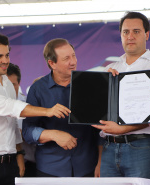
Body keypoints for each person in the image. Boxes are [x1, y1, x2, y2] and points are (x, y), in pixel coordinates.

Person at [92, 11, 150, 185]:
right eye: (125, 32)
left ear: (147, 34)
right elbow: (99, 109)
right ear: (120, 35)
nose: (130, 36)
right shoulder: (111, 68)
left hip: (142, 147)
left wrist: (122, 129)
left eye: (136, 31)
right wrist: (102, 86)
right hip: (108, 146)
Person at [0, 32, 76, 185]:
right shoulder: (38, 89)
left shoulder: (7, 83)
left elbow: (13, 123)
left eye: (7, 55)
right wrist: (48, 111)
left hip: (9, 163)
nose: (5, 61)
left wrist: (20, 155)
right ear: (51, 63)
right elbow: (10, 107)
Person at [22, 38, 100, 177]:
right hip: (49, 169)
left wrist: (100, 162)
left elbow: (100, 129)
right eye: (66, 58)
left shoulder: (89, 84)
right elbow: (28, 131)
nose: (73, 62)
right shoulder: (37, 89)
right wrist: (53, 135)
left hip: (87, 167)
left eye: (74, 56)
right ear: (52, 63)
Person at [7, 63, 37, 177]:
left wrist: (23, 135)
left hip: (28, 164)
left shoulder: (30, 107)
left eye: (12, 85)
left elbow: (40, 137)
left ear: (19, 84)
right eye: (4, 85)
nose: (7, 89)